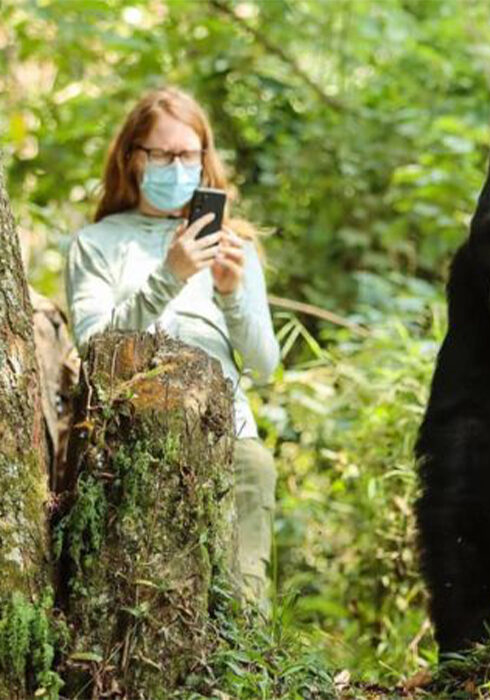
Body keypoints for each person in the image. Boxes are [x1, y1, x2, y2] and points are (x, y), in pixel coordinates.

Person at [65, 86, 279, 608]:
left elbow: (266, 365)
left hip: (233, 439)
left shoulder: (236, 246)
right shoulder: (96, 244)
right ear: (133, 158)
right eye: (163, 154)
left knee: (242, 605)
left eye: (189, 153)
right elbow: (96, 345)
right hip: (127, 445)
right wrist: (170, 275)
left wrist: (230, 294)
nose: (178, 165)